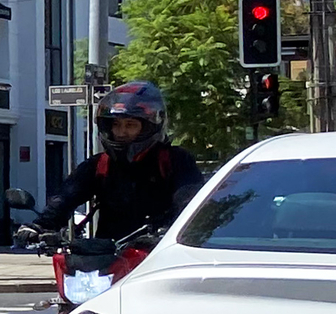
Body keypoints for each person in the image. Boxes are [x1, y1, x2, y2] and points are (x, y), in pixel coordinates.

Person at [28, 81, 204, 240]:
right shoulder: (99, 164)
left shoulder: (174, 160)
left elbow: (189, 201)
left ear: (150, 126)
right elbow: (66, 196)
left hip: (158, 255)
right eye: (116, 125)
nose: (121, 132)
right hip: (106, 256)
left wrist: (176, 229)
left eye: (130, 125)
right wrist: (40, 225)